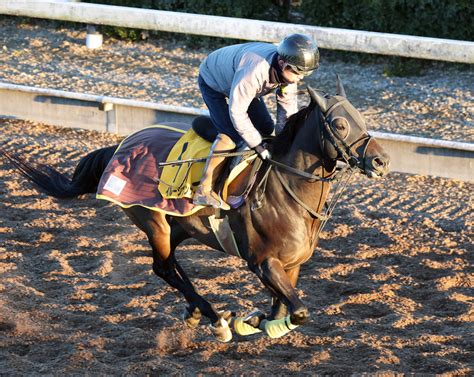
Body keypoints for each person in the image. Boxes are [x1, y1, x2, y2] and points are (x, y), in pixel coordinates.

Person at [193, 33, 320, 210]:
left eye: (305, 73)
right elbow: (237, 111)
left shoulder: (289, 70)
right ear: (282, 64)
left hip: (237, 78)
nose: (301, 78)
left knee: (266, 127)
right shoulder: (254, 72)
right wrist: (258, 146)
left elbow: (287, 111)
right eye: (298, 72)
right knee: (232, 136)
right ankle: (204, 191)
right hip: (213, 79)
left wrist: (285, 142)